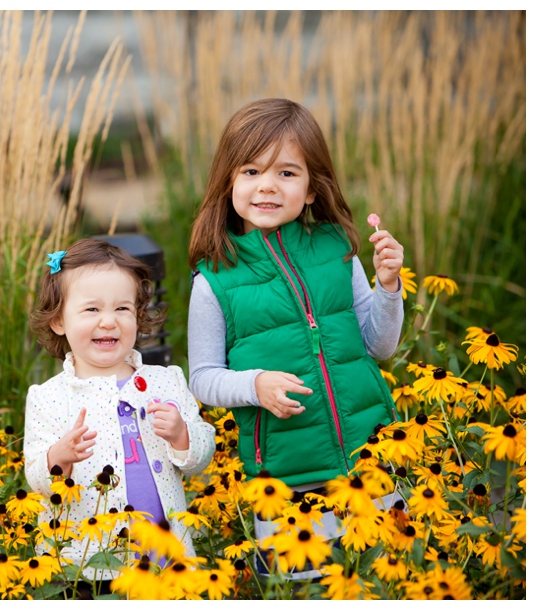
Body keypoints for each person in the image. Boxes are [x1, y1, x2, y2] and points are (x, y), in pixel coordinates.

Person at [186, 98, 406, 578]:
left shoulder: (337, 249)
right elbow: (202, 378)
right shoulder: (215, 280)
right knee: (306, 586)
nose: (267, 185)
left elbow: (378, 345)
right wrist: (256, 384)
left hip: (372, 453)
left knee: (388, 579)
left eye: (286, 173)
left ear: (310, 189)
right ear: (229, 183)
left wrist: (389, 287)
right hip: (286, 476)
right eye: (250, 171)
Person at [24, 238, 215, 584]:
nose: (109, 322)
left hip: (165, 557)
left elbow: (202, 454)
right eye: (92, 310)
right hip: (88, 565)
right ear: (58, 321)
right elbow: (36, 477)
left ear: (139, 317)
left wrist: (182, 435)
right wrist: (59, 456)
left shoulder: (166, 381)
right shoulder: (49, 397)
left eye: (122, 309)